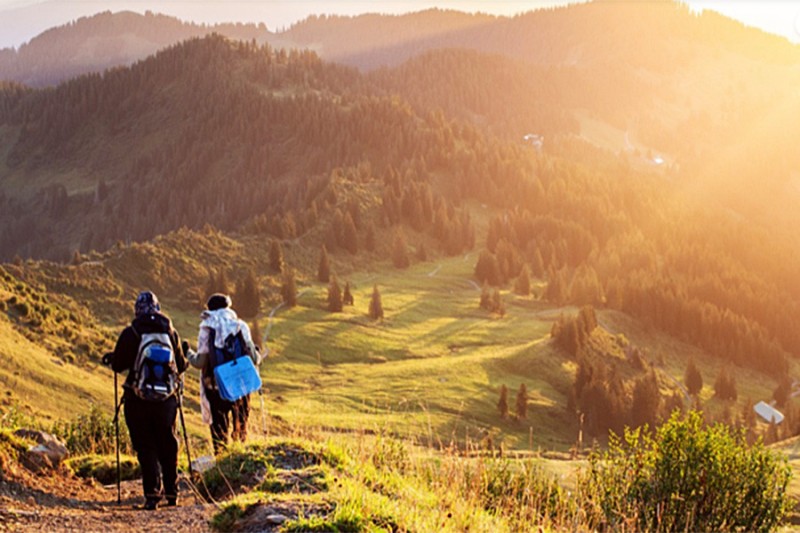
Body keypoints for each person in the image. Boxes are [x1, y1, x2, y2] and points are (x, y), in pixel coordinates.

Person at [103, 291, 187, 510]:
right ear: (157, 308)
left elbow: (119, 364)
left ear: (137, 309)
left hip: (137, 398)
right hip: (166, 400)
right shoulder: (170, 331)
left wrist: (112, 358)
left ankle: (152, 495)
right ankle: (172, 493)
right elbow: (182, 364)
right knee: (168, 444)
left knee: (146, 446)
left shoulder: (131, 332)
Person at [188, 293, 262, 454]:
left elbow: (199, 362)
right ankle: (239, 460)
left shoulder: (207, 327)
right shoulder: (240, 325)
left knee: (219, 433)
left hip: (216, 388)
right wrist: (257, 352)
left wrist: (187, 353)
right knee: (240, 429)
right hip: (240, 387)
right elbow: (254, 359)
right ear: (228, 307)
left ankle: (221, 463)